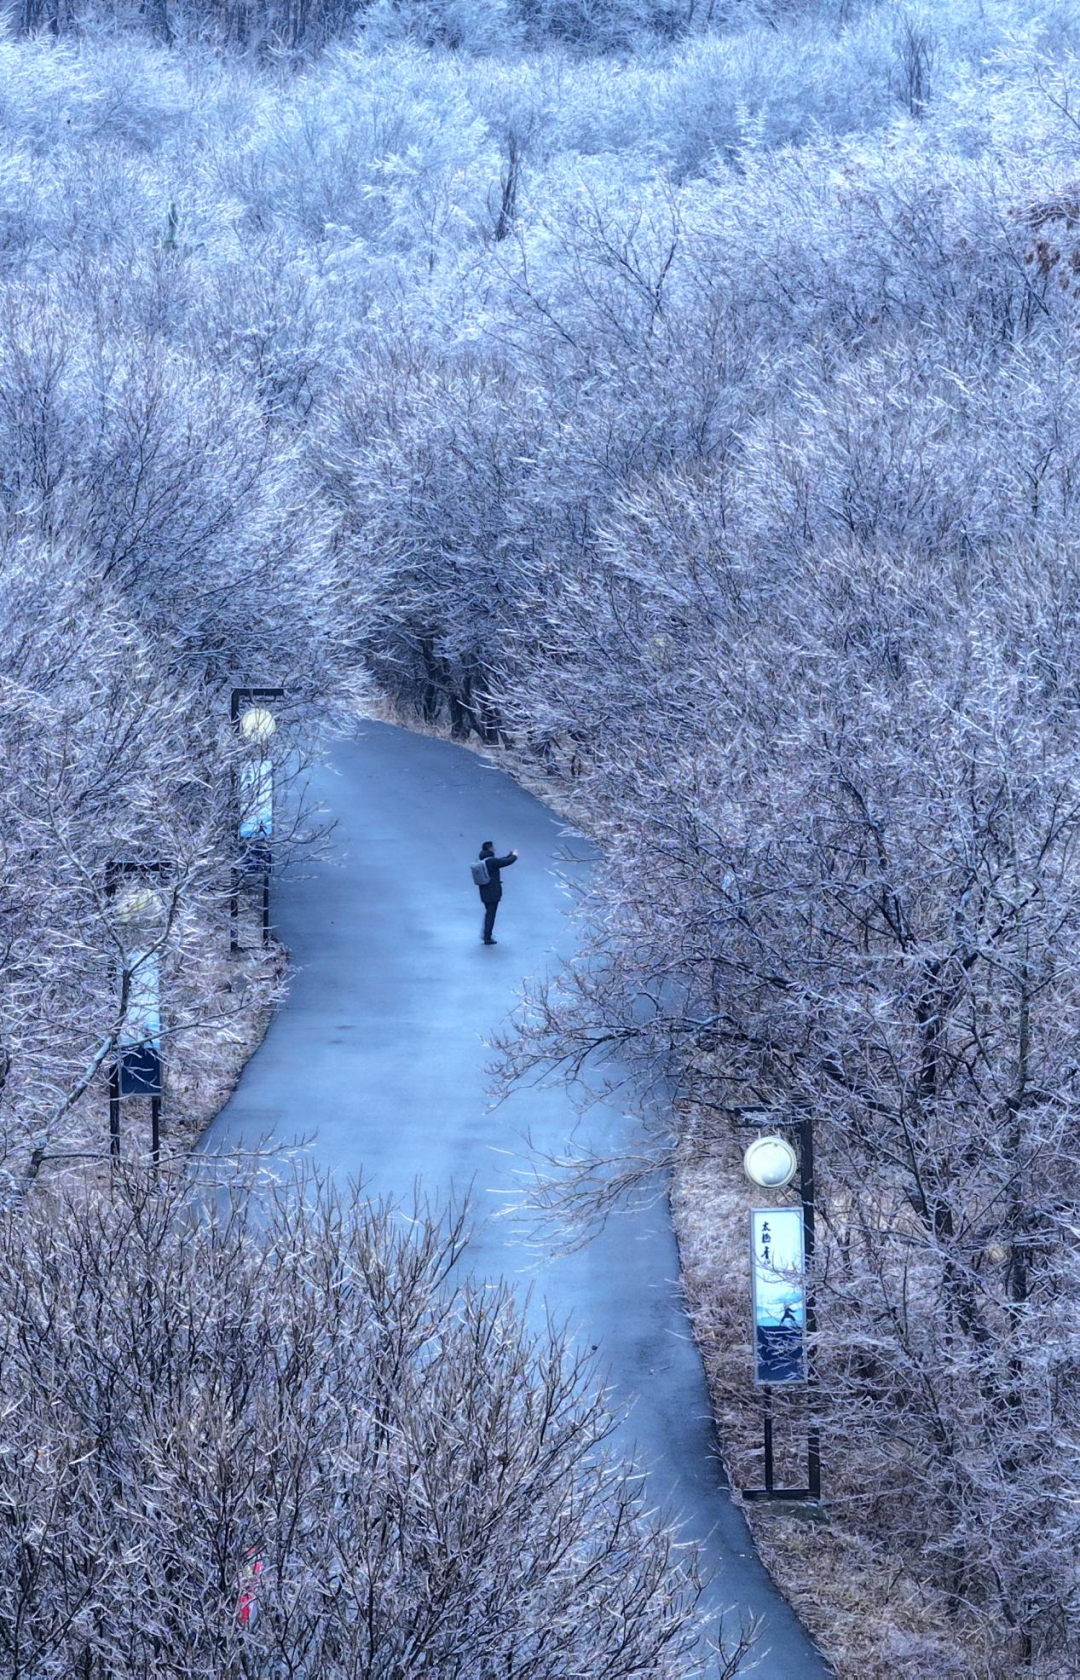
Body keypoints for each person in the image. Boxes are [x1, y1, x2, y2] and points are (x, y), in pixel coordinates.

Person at [477, 840, 518, 944]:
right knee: (491, 914)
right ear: (489, 848)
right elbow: (505, 862)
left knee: (489, 913)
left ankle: (487, 934)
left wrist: (509, 855)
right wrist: (514, 856)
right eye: (493, 847)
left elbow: (500, 861)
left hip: (484, 891)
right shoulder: (491, 861)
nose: (494, 849)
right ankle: (487, 937)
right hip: (492, 892)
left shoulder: (482, 860)